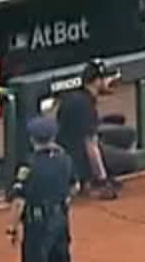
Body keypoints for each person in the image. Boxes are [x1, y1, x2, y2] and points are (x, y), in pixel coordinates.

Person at [4, 115, 78, 262]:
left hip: (38, 223)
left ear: (33, 138)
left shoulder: (29, 164)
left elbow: (19, 200)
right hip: (60, 220)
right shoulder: (64, 158)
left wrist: (12, 227)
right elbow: (74, 186)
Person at [53, 60, 137, 195]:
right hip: (77, 157)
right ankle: (89, 180)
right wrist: (101, 178)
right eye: (106, 78)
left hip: (69, 148)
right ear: (96, 81)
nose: (110, 81)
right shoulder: (84, 104)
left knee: (127, 135)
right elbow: (90, 145)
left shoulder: (78, 97)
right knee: (130, 161)